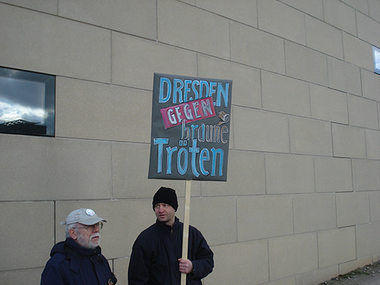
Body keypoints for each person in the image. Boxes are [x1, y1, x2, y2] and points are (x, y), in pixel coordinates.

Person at [128, 186, 214, 285]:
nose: (160, 210)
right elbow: (137, 279)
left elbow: (208, 260)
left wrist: (193, 267)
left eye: (165, 205)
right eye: (157, 206)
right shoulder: (145, 239)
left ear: (174, 207)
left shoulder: (191, 234)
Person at [40, 208, 117, 285]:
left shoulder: (99, 259)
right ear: (73, 233)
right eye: (89, 226)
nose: (96, 230)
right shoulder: (57, 266)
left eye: (97, 224)